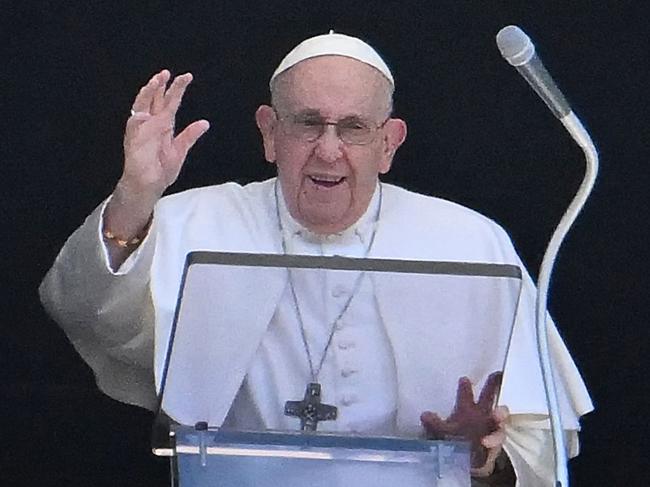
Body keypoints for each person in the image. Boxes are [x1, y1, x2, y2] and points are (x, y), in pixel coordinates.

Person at [40, 32, 592, 486]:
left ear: (389, 143)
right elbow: (86, 312)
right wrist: (135, 195)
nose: (329, 150)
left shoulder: (469, 241)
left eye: (353, 127)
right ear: (269, 133)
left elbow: (535, 439)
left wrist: (481, 458)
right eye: (308, 123)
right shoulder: (194, 222)